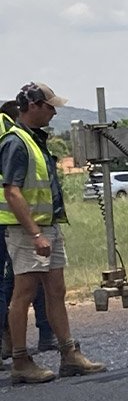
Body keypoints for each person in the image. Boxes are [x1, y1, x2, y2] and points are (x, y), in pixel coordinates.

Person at [0, 83, 106, 384]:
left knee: (56, 291)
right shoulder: (16, 142)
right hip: (28, 231)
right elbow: (12, 192)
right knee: (23, 294)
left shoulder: (35, 139)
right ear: (33, 105)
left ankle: (68, 354)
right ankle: (21, 360)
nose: (54, 111)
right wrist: (35, 235)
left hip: (47, 226)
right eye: (49, 106)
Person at [0, 100, 54, 371]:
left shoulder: (18, 136)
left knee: (24, 282)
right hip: (17, 220)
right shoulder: (14, 137)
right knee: (20, 285)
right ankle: (36, 339)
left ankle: (17, 344)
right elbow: (12, 188)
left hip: (20, 218)